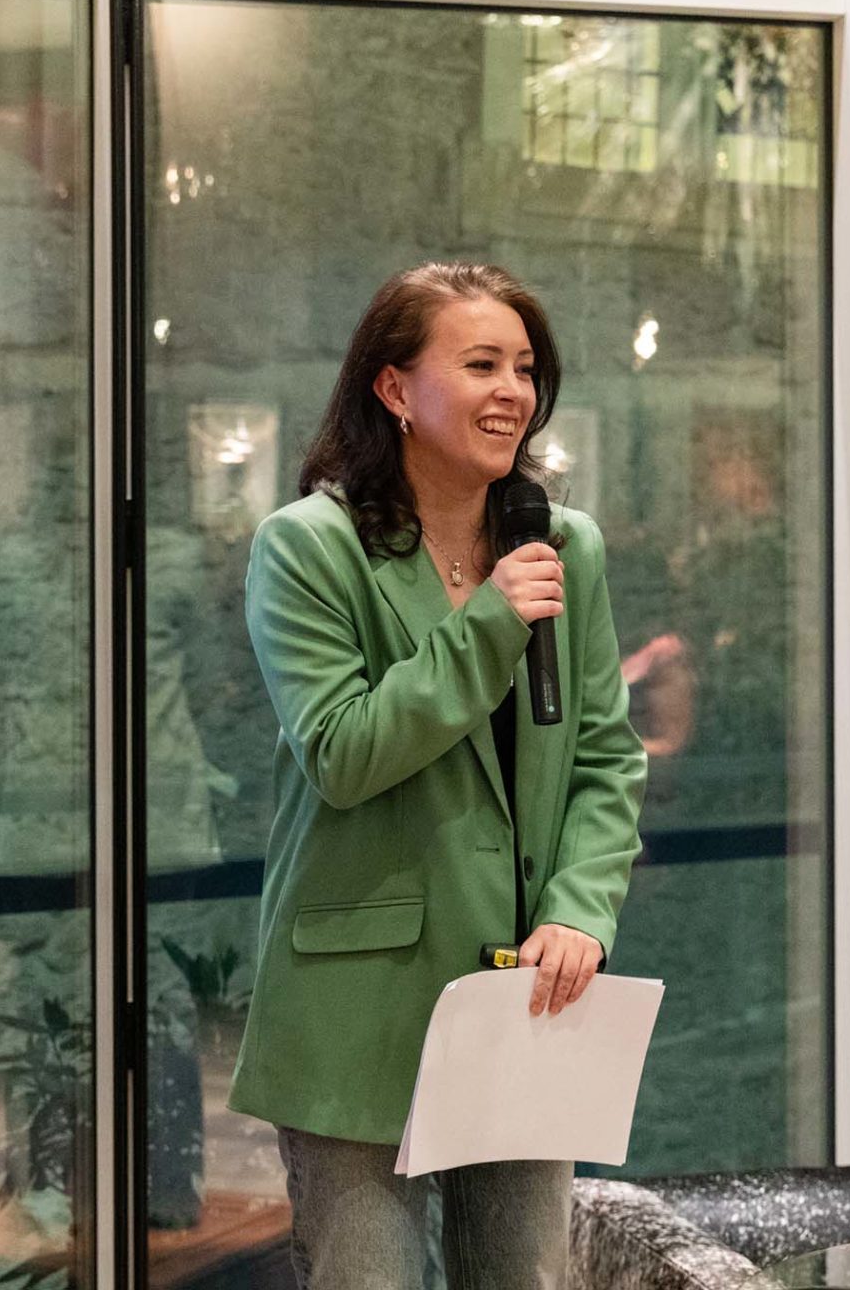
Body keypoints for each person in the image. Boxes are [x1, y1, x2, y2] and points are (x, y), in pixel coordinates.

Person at [227, 262, 646, 1289]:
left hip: (525, 996)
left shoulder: (564, 545)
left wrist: (582, 911)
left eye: (524, 367)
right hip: (354, 1005)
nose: (512, 389)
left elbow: (602, 753)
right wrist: (491, 623)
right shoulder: (307, 548)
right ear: (393, 387)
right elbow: (342, 751)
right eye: (479, 364)